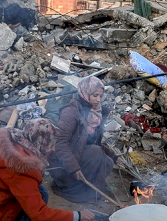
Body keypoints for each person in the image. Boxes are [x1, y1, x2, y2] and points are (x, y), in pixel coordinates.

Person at [49, 75, 118, 203]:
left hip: (79, 155)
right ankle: (68, 189)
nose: (98, 100)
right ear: (85, 93)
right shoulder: (71, 112)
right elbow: (60, 143)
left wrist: (114, 156)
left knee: (107, 161)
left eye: (100, 96)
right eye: (94, 95)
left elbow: (94, 142)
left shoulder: (96, 114)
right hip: (63, 167)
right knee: (96, 152)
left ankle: (91, 191)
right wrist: (73, 168)